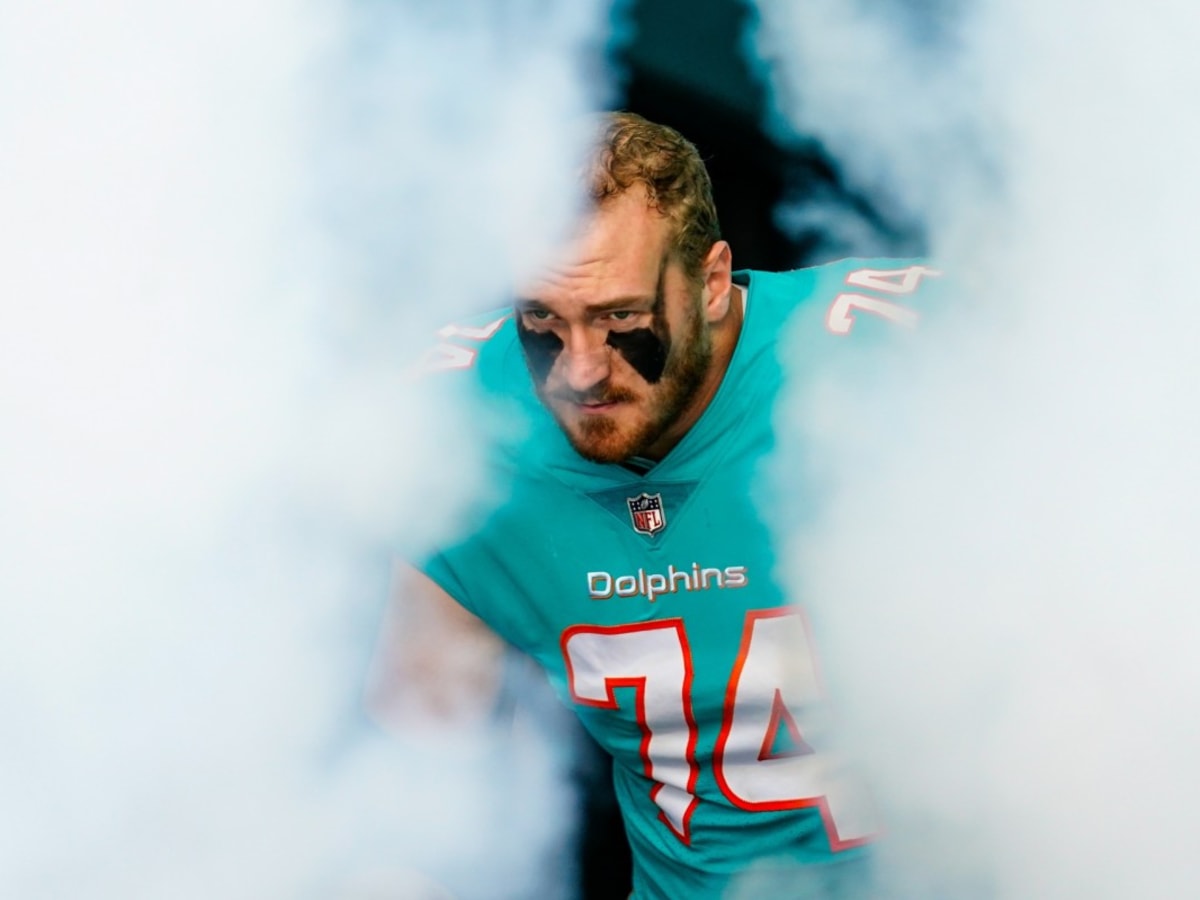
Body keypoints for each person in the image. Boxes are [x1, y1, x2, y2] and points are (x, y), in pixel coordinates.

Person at [370, 111, 944, 898]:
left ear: (711, 283)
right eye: (543, 321)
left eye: (622, 322)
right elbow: (420, 788)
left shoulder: (905, 355)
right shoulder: (465, 434)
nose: (578, 369)